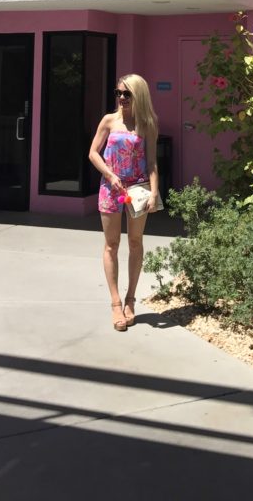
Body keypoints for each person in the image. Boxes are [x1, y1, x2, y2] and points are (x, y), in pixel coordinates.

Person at [88, 73, 159, 331]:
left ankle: (131, 300)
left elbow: (151, 162)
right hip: (110, 188)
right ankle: (115, 302)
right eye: (118, 93)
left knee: (136, 242)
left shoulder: (147, 124)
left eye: (127, 94)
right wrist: (109, 174)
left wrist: (153, 192)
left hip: (138, 188)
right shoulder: (109, 121)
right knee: (112, 244)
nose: (121, 98)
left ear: (138, 95)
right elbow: (93, 153)